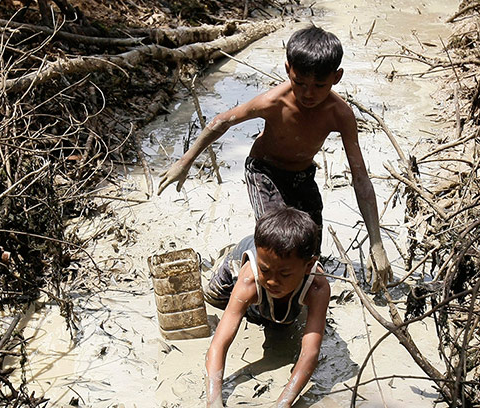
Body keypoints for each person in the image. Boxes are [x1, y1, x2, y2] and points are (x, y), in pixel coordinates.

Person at [158, 25, 392, 291]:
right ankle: (229, 272)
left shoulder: (340, 114)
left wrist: (376, 243)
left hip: (302, 176)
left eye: (319, 85)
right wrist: (184, 163)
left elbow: (360, 178)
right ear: (287, 69)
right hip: (264, 172)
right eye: (300, 82)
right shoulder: (274, 101)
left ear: (336, 77)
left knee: (307, 253)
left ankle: (299, 306)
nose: (308, 94)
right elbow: (221, 122)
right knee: (280, 245)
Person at [202, 207, 329, 408]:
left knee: (283, 320)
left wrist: (283, 404)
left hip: (282, 278)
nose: (272, 281)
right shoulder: (250, 279)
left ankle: (276, 298)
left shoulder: (317, 285)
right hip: (235, 271)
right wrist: (213, 401)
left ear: (309, 266)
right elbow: (219, 343)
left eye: (284, 274)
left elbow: (310, 352)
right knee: (215, 297)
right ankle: (230, 261)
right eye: (266, 271)